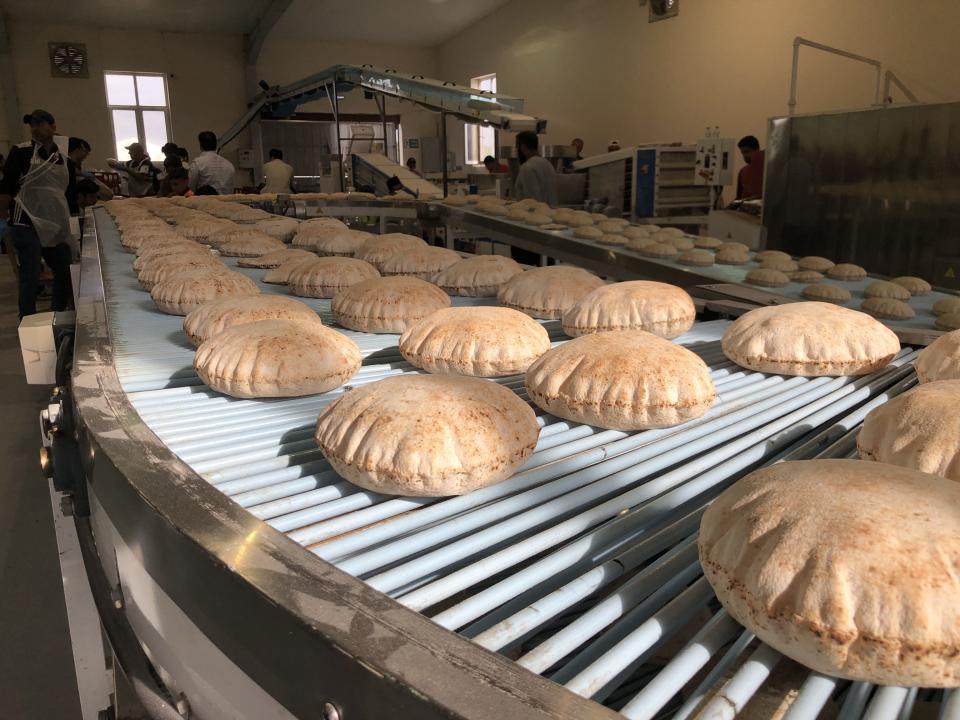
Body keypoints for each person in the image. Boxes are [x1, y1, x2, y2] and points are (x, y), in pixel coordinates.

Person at [0, 109, 76, 318]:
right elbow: (6, 187)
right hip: (26, 219)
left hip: (52, 222)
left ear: (52, 127)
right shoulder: (22, 152)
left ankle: (57, 313)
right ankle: (28, 319)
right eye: (32, 124)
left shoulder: (62, 157)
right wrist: (3, 217)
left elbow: (68, 191)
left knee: (64, 269)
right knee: (31, 274)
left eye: (40, 123)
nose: (35, 128)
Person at [67, 137, 113, 210]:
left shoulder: (81, 171)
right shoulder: (67, 168)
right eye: (84, 151)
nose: (86, 155)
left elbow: (109, 195)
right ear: (76, 150)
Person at [513, 132, 558, 206]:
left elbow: (532, 202)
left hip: (535, 215)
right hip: (550, 213)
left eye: (517, 147)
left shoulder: (527, 167)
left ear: (523, 147)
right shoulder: (548, 164)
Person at [189, 131, 235, 195]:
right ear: (216, 144)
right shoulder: (229, 165)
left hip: (205, 203)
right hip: (226, 202)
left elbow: (191, 188)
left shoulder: (197, 163)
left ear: (200, 145)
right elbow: (231, 189)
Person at [736, 135, 765, 200]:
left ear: (757, 150)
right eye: (742, 153)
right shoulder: (743, 171)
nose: (745, 155)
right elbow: (739, 197)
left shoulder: (766, 170)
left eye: (747, 151)